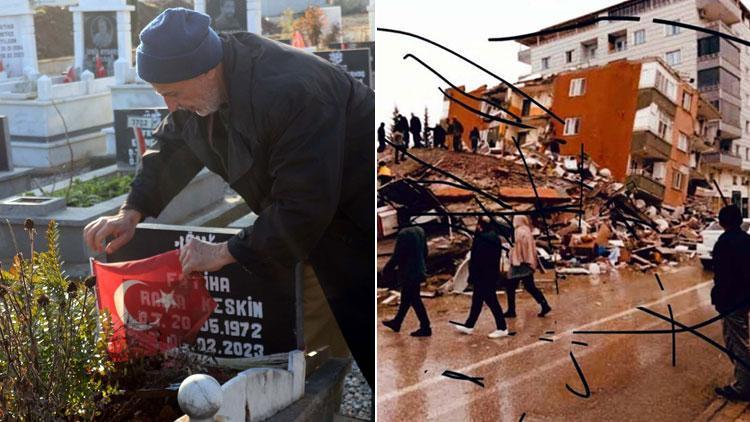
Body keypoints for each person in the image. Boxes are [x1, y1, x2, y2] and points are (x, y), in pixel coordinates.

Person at [81, 8, 374, 389]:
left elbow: (304, 204)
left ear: (205, 71)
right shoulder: (203, 87)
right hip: (309, 226)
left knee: (373, 338)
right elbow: (172, 146)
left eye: (173, 94)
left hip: (361, 225)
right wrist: (132, 211)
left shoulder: (294, 92)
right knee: (315, 341)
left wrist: (224, 252)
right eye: (162, 95)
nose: (170, 106)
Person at [712, 205, 750, 401]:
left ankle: (743, 387)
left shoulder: (725, 242)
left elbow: (722, 276)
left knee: (737, 343)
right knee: (736, 340)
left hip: (732, 301)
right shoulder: (746, 240)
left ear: (721, 222)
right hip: (742, 299)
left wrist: (719, 299)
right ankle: (743, 379)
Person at [450, 217, 509, 338]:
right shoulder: (493, 236)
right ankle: (469, 325)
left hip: (484, 276)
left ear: (480, 225)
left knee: (491, 301)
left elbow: (478, 259)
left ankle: (502, 327)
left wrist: (473, 275)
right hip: (488, 274)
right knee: (477, 301)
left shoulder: (484, 238)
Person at [381, 224, 432, 337]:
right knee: (406, 298)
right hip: (419, 270)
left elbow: (397, 256)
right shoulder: (420, 230)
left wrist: (387, 269)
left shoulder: (404, 234)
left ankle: (426, 327)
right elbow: (425, 251)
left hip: (409, 273)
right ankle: (397, 322)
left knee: (415, 300)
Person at [505, 215, 551, 318]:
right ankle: (544, 305)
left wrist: (514, 257)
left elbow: (518, 248)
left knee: (511, 286)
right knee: (529, 286)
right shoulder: (526, 230)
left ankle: (511, 310)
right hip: (526, 263)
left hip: (520, 263)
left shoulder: (519, 232)